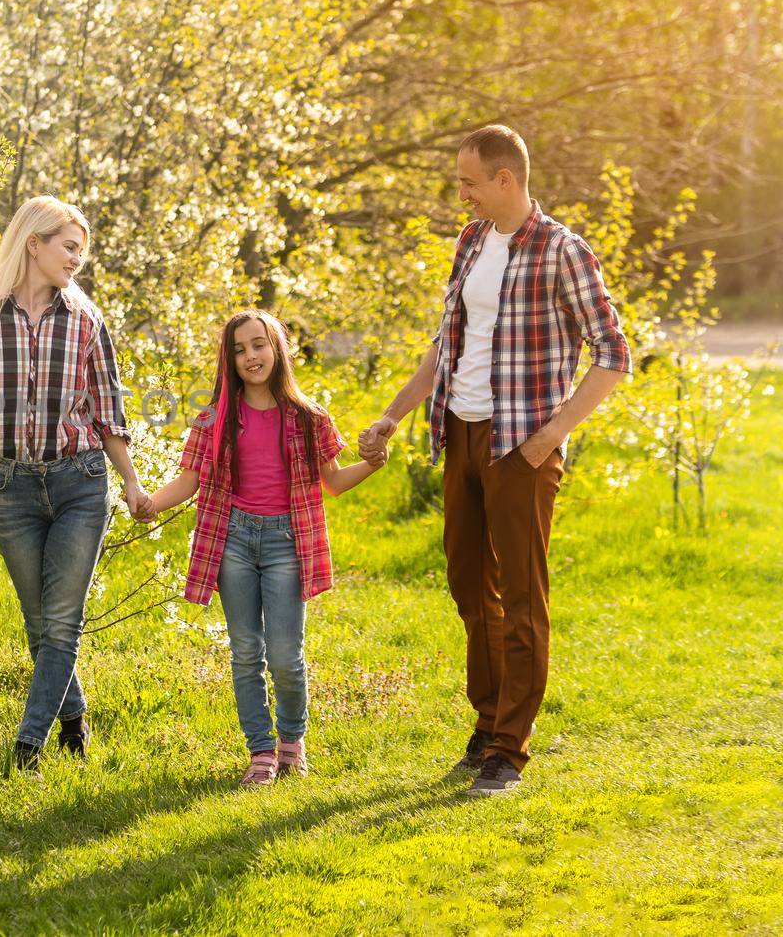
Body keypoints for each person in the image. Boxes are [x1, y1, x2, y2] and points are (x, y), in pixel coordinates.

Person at [358, 125, 631, 796]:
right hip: (462, 433)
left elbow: (613, 355)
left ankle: (510, 749)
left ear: (505, 180)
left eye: (468, 181)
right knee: (468, 584)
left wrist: (551, 434)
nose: (461, 192)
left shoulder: (563, 252)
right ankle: (486, 727)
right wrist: (393, 412)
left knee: (521, 595)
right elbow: (444, 342)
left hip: (521, 447)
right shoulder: (471, 240)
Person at [0, 195, 153, 773]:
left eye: (81, 251)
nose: (77, 260)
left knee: (61, 622)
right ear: (33, 243)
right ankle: (75, 720)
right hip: (10, 486)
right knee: (39, 622)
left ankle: (27, 747)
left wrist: (131, 482)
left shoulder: (86, 319)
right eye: (69, 247)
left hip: (79, 480)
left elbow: (109, 410)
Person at [143, 309, 385, 786]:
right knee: (246, 652)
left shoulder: (309, 417)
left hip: (285, 543)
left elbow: (333, 483)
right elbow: (190, 480)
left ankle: (292, 741)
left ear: (277, 350)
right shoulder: (213, 419)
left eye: (258, 345)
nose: (250, 356)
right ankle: (260, 751)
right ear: (228, 361)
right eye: (239, 350)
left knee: (285, 656)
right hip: (233, 539)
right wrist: (149, 502)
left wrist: (373, 464)